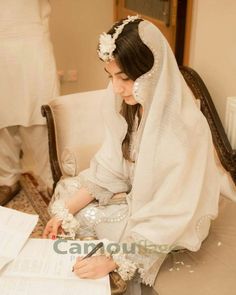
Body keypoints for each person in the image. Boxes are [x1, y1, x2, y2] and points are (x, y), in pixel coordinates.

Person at [43, 16, 233, 293]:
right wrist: (66, 211)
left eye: (125, 78)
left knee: (91, 228)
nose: (117, 88)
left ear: (152, 72)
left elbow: (170, 215)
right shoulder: (134, 106)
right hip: (143, 202)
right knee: (70, 201)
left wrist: (111, 261)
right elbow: (111, 168)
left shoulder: (183, 131)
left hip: (173, 221)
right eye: (111, 77)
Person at [0, 0, 59, 205]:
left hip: (33, 36)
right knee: (3, 116)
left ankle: (51, 182)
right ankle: (8, 180)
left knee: (41, 115)